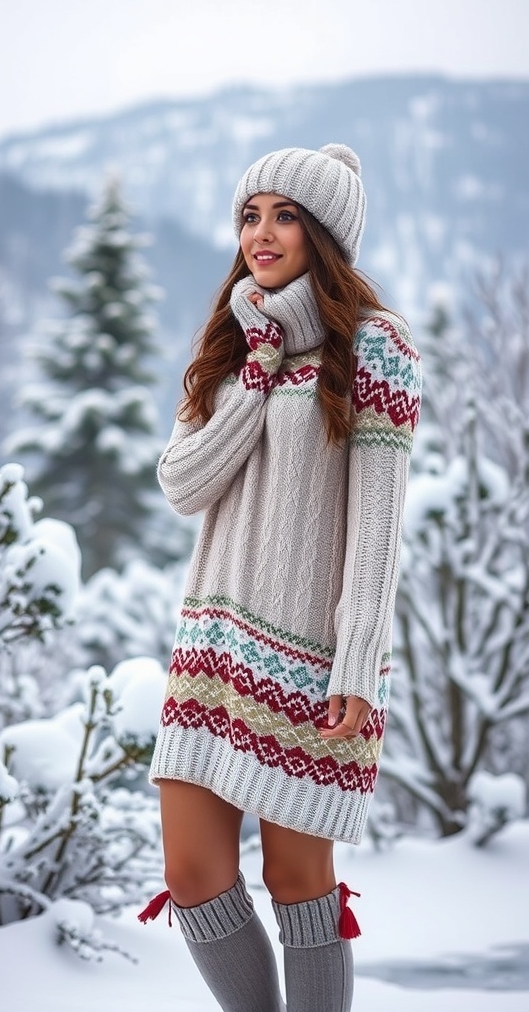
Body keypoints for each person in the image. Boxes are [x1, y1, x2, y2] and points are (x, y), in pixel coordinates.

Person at [140, 142, 422, 1012]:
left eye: (285, 214)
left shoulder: (375, 348)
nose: (261, 233)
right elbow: (184, 484)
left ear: (324, 231)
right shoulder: (235, 345)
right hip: (212, 652)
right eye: (249, 215)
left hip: (312, 661)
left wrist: (358, 665)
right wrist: (255, 373)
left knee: (300, 879)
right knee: (191, 872)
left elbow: (378, 526)